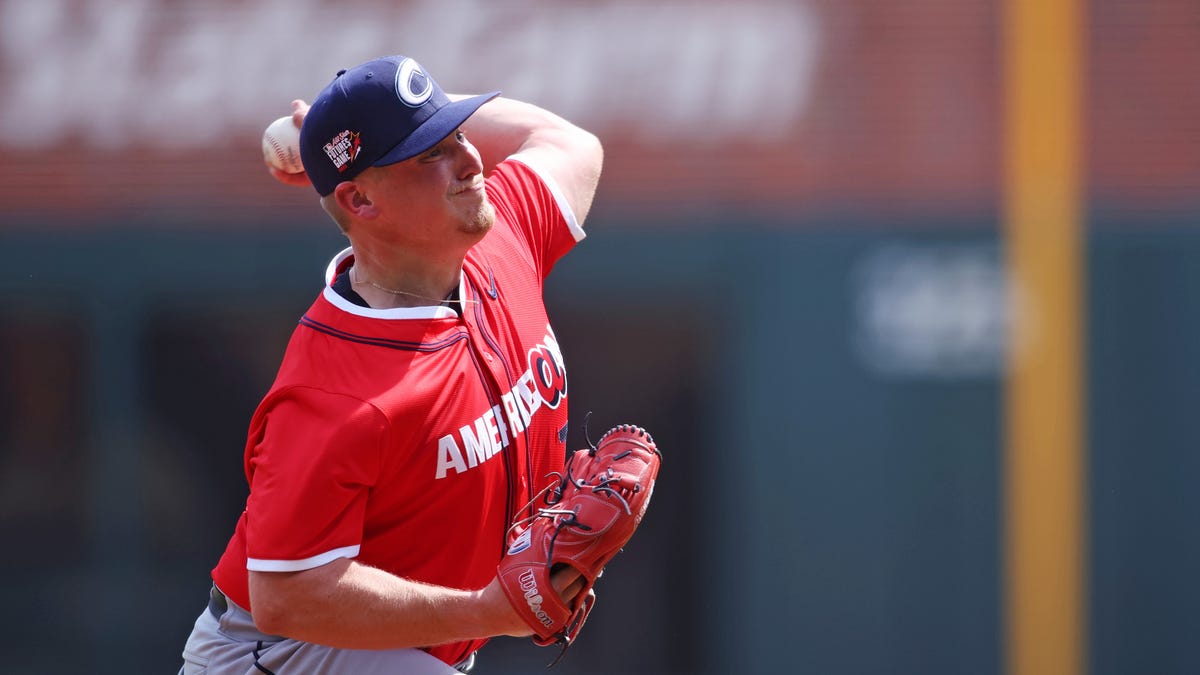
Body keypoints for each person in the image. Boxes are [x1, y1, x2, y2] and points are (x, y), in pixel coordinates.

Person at [179, 54, 603, 674]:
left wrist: (337, 129)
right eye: (430, 152)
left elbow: (569, 142)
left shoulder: (499, 233)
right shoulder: (333, 395)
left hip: (415, 647)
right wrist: (487, 610)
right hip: (285, 652)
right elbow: (287, 596)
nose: (470, 160)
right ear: (359, 199)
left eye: (456, 132)